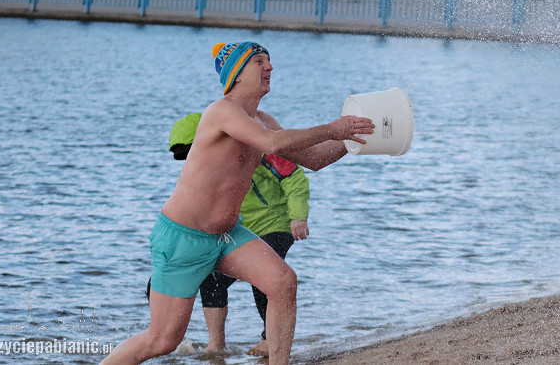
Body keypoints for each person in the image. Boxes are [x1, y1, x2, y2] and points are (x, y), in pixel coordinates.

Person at [103, 41, 373, 365]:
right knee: (162, 341)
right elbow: (271, 143)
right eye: (259, 61)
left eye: (269, 61)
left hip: (228, 236)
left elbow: (314, 159)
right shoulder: (222, 111)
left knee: (283, 282)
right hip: (183, 237)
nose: (269, 67)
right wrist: (332, 127)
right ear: (236, 74)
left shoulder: (263, 119)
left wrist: (355, 137)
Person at [165, 112, 313, 357]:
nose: (194, 158)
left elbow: (294, 177)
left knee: (266, 275)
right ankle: (217, 345)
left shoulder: (258, 146)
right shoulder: (203, 168)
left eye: (193, 151)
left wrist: (298, 215)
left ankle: (270, 339)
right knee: (211, 278)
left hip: (276, 222)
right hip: (241, 231)